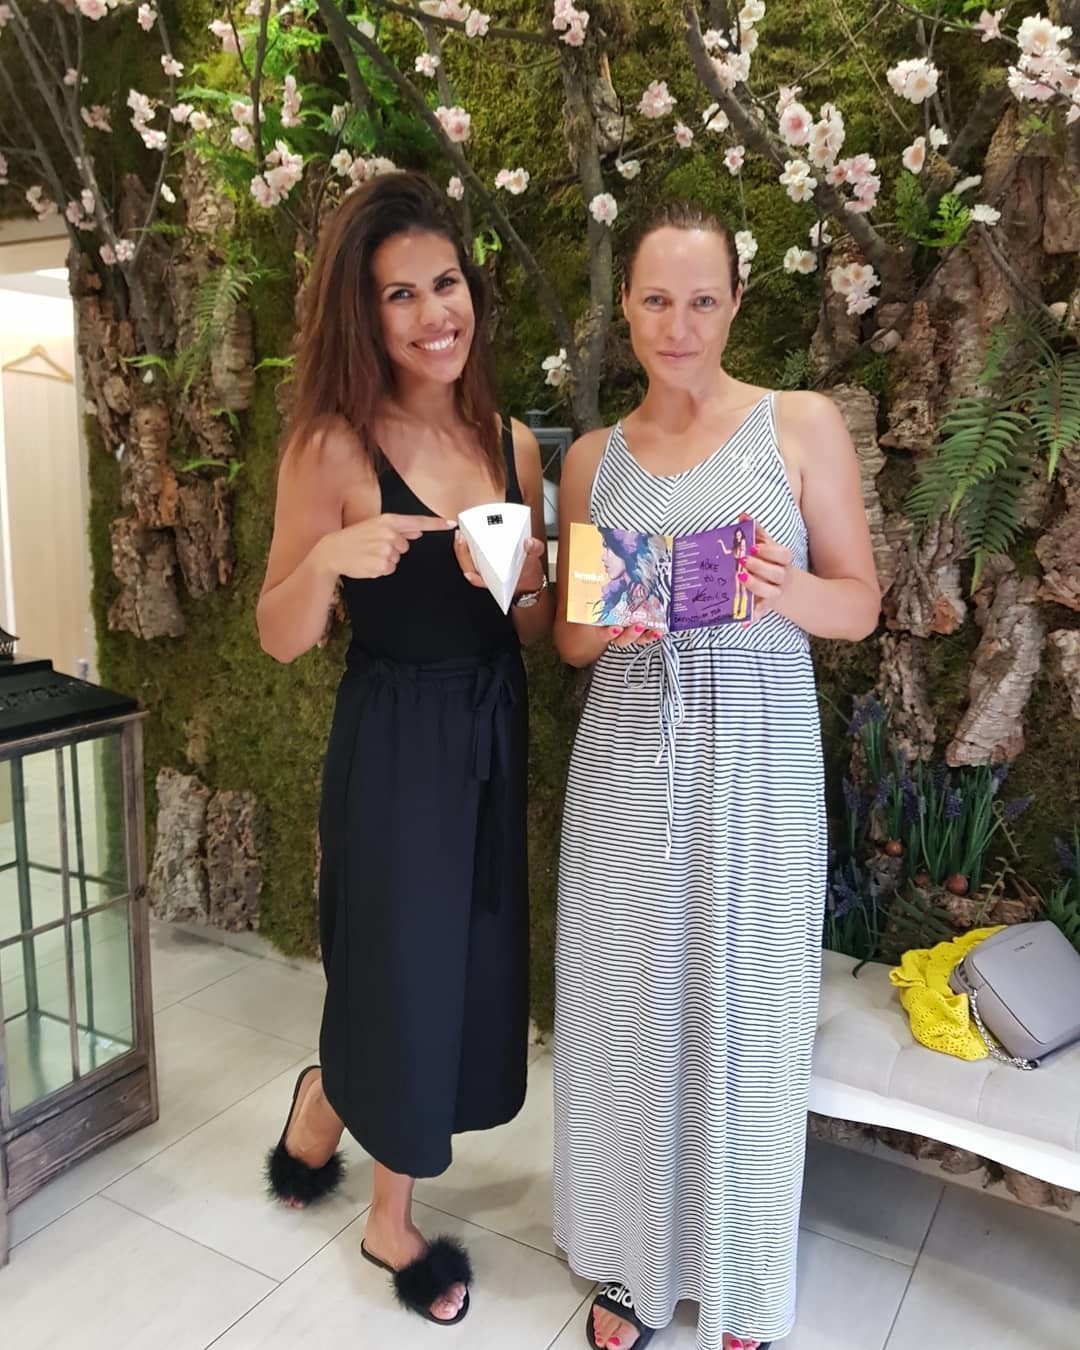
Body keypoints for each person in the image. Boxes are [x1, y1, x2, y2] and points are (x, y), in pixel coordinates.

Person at [552, 202, 880, 1350]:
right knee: (627, 1002)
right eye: (656, 300)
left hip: (756, 754)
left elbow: (859, 603)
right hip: (627, 756)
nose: (678, 324)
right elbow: (572, 639)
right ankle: (629, 1260)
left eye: (702, 299)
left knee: (746, 1006)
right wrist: (616, 617)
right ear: (626, 308)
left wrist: (780, 588)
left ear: (737, 302)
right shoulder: (592, 460)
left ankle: (740, 1279)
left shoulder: (801, 424)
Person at [256, 170, 552, 1327]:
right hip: (391, 739)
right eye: (400, 294)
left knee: (466, 962)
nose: (437, 312)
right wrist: (330, 561)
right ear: (362, 314)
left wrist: (523, 580)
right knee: (403, 966)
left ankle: (326, 1101)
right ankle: (391, 1221)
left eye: (447, 282)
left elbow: (531, 625)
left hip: (489, 728)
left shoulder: (511, 443)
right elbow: (279, 634)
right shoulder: (332, 448)